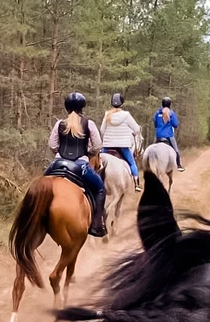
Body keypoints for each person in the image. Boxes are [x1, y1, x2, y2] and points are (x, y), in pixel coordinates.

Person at [49, 92, 107, 237]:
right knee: (100, 189)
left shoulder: (59, 124)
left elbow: (52, 145)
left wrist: (60, 152)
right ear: (82, 107)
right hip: (80, 166)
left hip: (58, 164)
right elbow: (98, 145)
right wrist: (89, 153)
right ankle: (96, 225)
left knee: (39, 185)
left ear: (66, 107)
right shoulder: (89, 124)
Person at [101, 92, 142, 192]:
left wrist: (105, 140)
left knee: (98, 163)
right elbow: (137, 129)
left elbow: (102, 130)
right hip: (123, 146)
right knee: (132, 163)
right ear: (122, 103)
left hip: (107, 146)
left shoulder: (107, 115)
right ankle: (136, 184)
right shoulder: (126, 115)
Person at [154, 96, 184, 171]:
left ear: (162, 104)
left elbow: (155, 123)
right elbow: (175, 124)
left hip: (158, 136)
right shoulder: (171, 113)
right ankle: (179, 165)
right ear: (170, 104)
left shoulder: (157, 113)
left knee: (152, 148)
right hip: (168, 136)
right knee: (176, 150)